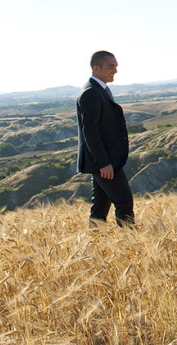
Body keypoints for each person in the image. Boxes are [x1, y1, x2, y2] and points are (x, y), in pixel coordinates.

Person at [76, 51, 134, 226]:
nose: (115, 70)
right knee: (124, 202)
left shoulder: (98, 89)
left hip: (105, 161)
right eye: (111, 66)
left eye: (116, 66)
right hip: (105, 163)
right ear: (96, 68)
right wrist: (103, 163)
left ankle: (95, 243)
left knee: (100, 207)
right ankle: (131, 245)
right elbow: (91, 133)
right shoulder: (91, 92)